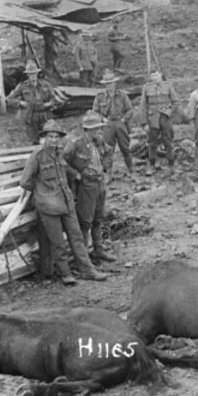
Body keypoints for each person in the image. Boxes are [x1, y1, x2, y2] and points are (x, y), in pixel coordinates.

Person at [19, 120, 108, 285]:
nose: (53, 139)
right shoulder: (37, 155)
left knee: (76, 237)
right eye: (50, 136)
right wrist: (41, 191)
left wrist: (76, 175)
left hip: (66, 201)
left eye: (56, 137)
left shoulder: (59, 152)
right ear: (44, 137)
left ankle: (88, 270)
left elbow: (65, 168)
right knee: (58, 242)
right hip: (48, 205)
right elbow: (25, 181)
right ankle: (65, 274)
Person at [63, 111, 117, 263]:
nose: (97, 131)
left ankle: (98, 250)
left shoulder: (98, 140)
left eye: (98, 128)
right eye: (93, 129)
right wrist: (76, 174)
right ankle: (83, 256)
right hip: (86, 185)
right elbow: (62, 162)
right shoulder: (75, 144)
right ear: (86, 129)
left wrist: (105, 167)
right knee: (85, 221)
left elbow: (109, 151)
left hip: (100, 182)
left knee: (98, 219)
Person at [92, 69, 135, 182]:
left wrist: (124, 119)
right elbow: (95, 112)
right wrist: (103, 118)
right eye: (107, 84)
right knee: (107, 150)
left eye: (111, 83)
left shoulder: (122, 96)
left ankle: (131, 169)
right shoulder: (100, 97)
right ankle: (108, 173)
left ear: (115, 83)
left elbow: (130, 109)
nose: (109, 86)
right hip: (108, 124)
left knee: (125, 147)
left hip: (120, 123)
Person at [5, 60, 61, 144]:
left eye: (34, 73)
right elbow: (9, 99)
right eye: (30, 74)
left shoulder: (46, 84)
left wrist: (49, 103)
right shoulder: (22, 86)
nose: (33, 76)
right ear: (27, 74)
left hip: (46, 115)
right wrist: (20, 103)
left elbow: (55, 99)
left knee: (49, 139)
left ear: (37, 73)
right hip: (31, 116)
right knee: (34, 140)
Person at [140, 71, 179, 176]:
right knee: (152, 143)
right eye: (152, 75)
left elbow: (175, 102)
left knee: (168, 142)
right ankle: (152, 165)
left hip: (165, 118)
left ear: (161, 75)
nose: (154, 77)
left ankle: (171, 165)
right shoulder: (147, 88)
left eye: (156, 75)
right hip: (153, 119)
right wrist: (144, 123)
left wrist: (170, 112)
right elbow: (143, 106)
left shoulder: (168, 85)